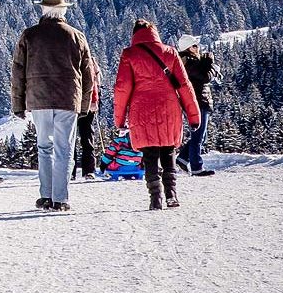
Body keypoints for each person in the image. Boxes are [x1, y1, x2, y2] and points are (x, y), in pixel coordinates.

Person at [11, 0, 98, 212]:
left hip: (39, 98)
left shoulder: (29, 35)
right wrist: (85, 105)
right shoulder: (76, 35)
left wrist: (18, 104)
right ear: (62, 11)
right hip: (68, 99)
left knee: (44, 147)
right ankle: (61, 198)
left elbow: (18, 72)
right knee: (64, 149)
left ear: (43, 8)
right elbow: (88, 74)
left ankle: (45, 195)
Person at [112, 19, 201, 210]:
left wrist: (119, 120)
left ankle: (155, 198)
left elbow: (122, 89)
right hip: (169, 109)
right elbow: (185, 85)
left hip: (141, 110)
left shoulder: (129, 55)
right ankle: (172, 195)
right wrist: (194, 116)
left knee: (150, 155)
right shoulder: (170, 52)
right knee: (169, 152)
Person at [179, 40, 218, 176]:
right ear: (187, 47)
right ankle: (196, 167)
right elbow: (205, 77)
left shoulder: (190, 61)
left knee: (201, 136)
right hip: (198, 101)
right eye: (194, 46)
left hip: (199, 100)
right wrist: (209, 63)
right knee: (198, 136)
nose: (197, 48)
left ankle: (182, 159)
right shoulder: (187, 61)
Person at [74, 50, 103, 181]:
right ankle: (89, 170)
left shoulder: (70, 59)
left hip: (71, 105)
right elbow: (96, 83)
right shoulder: (91, 61)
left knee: (69, 139)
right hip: (88, 104)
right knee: (87, 137)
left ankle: (70, 171)